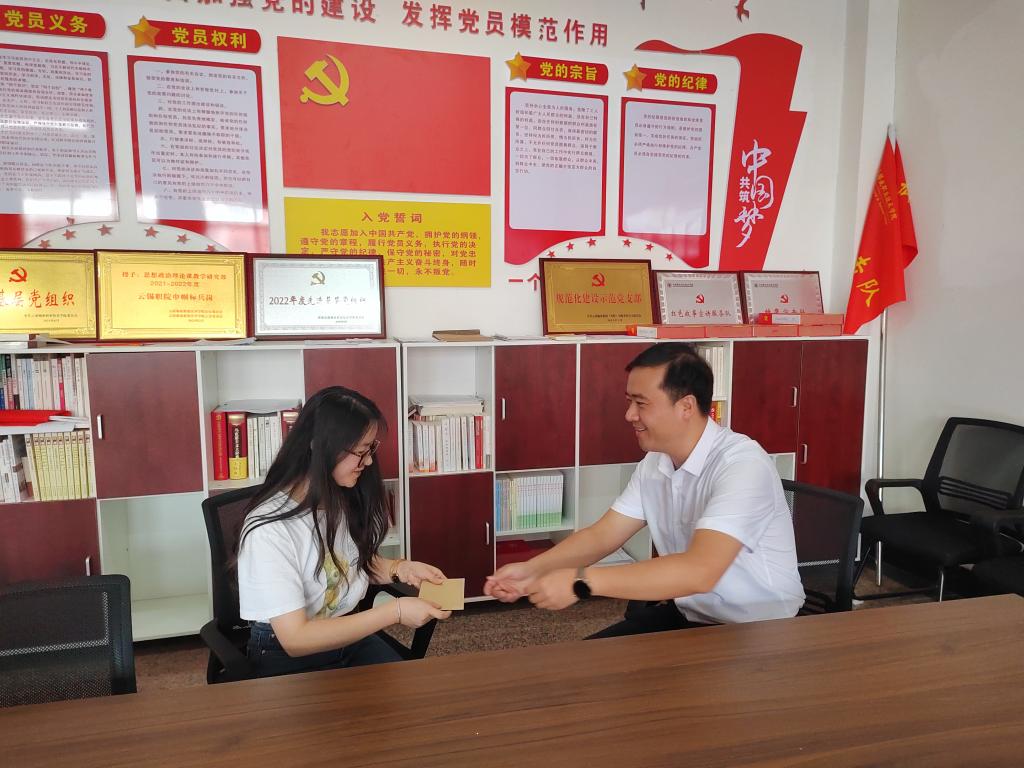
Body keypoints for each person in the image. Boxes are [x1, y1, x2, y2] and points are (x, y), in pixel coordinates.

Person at [485, 342, 804, 637]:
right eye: (629, 402)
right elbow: (604, 535)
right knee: (581, 664)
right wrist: (532, 570)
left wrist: (581, 583)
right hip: (692, 615)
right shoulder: (656, 462)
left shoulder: (742, 465)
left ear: (686, 406)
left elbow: (700, 571)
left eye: (641, 404)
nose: (629, 415)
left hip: (760, 630)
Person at [237, 386, 451, 677]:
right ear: (321, 447)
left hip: (344, 635)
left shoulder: (336, 497)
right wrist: (395, 612)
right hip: (286, 651)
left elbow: (345, 562)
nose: (369, 461)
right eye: (361, 452)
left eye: (370, 449)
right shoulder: (270, 530)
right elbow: (295, 638)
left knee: (412, 693)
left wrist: (400, 568)